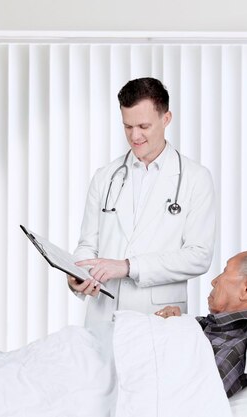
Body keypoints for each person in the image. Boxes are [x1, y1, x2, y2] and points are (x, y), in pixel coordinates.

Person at [68, 77, 216, 326]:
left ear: (166, 119)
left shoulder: (195, 178)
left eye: (143, 126)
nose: (134, 136)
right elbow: (87, 245)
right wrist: (78, 276)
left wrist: (129, 266)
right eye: (128, 126)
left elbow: (199, 256)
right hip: (104, 316)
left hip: (158, 317)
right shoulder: (105, 177)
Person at [155, 245, 247, 398]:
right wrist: (167, 325)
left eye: (225, 271)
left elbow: (178, 400)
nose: (214, 281)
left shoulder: (233, 351)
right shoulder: (216, 328)